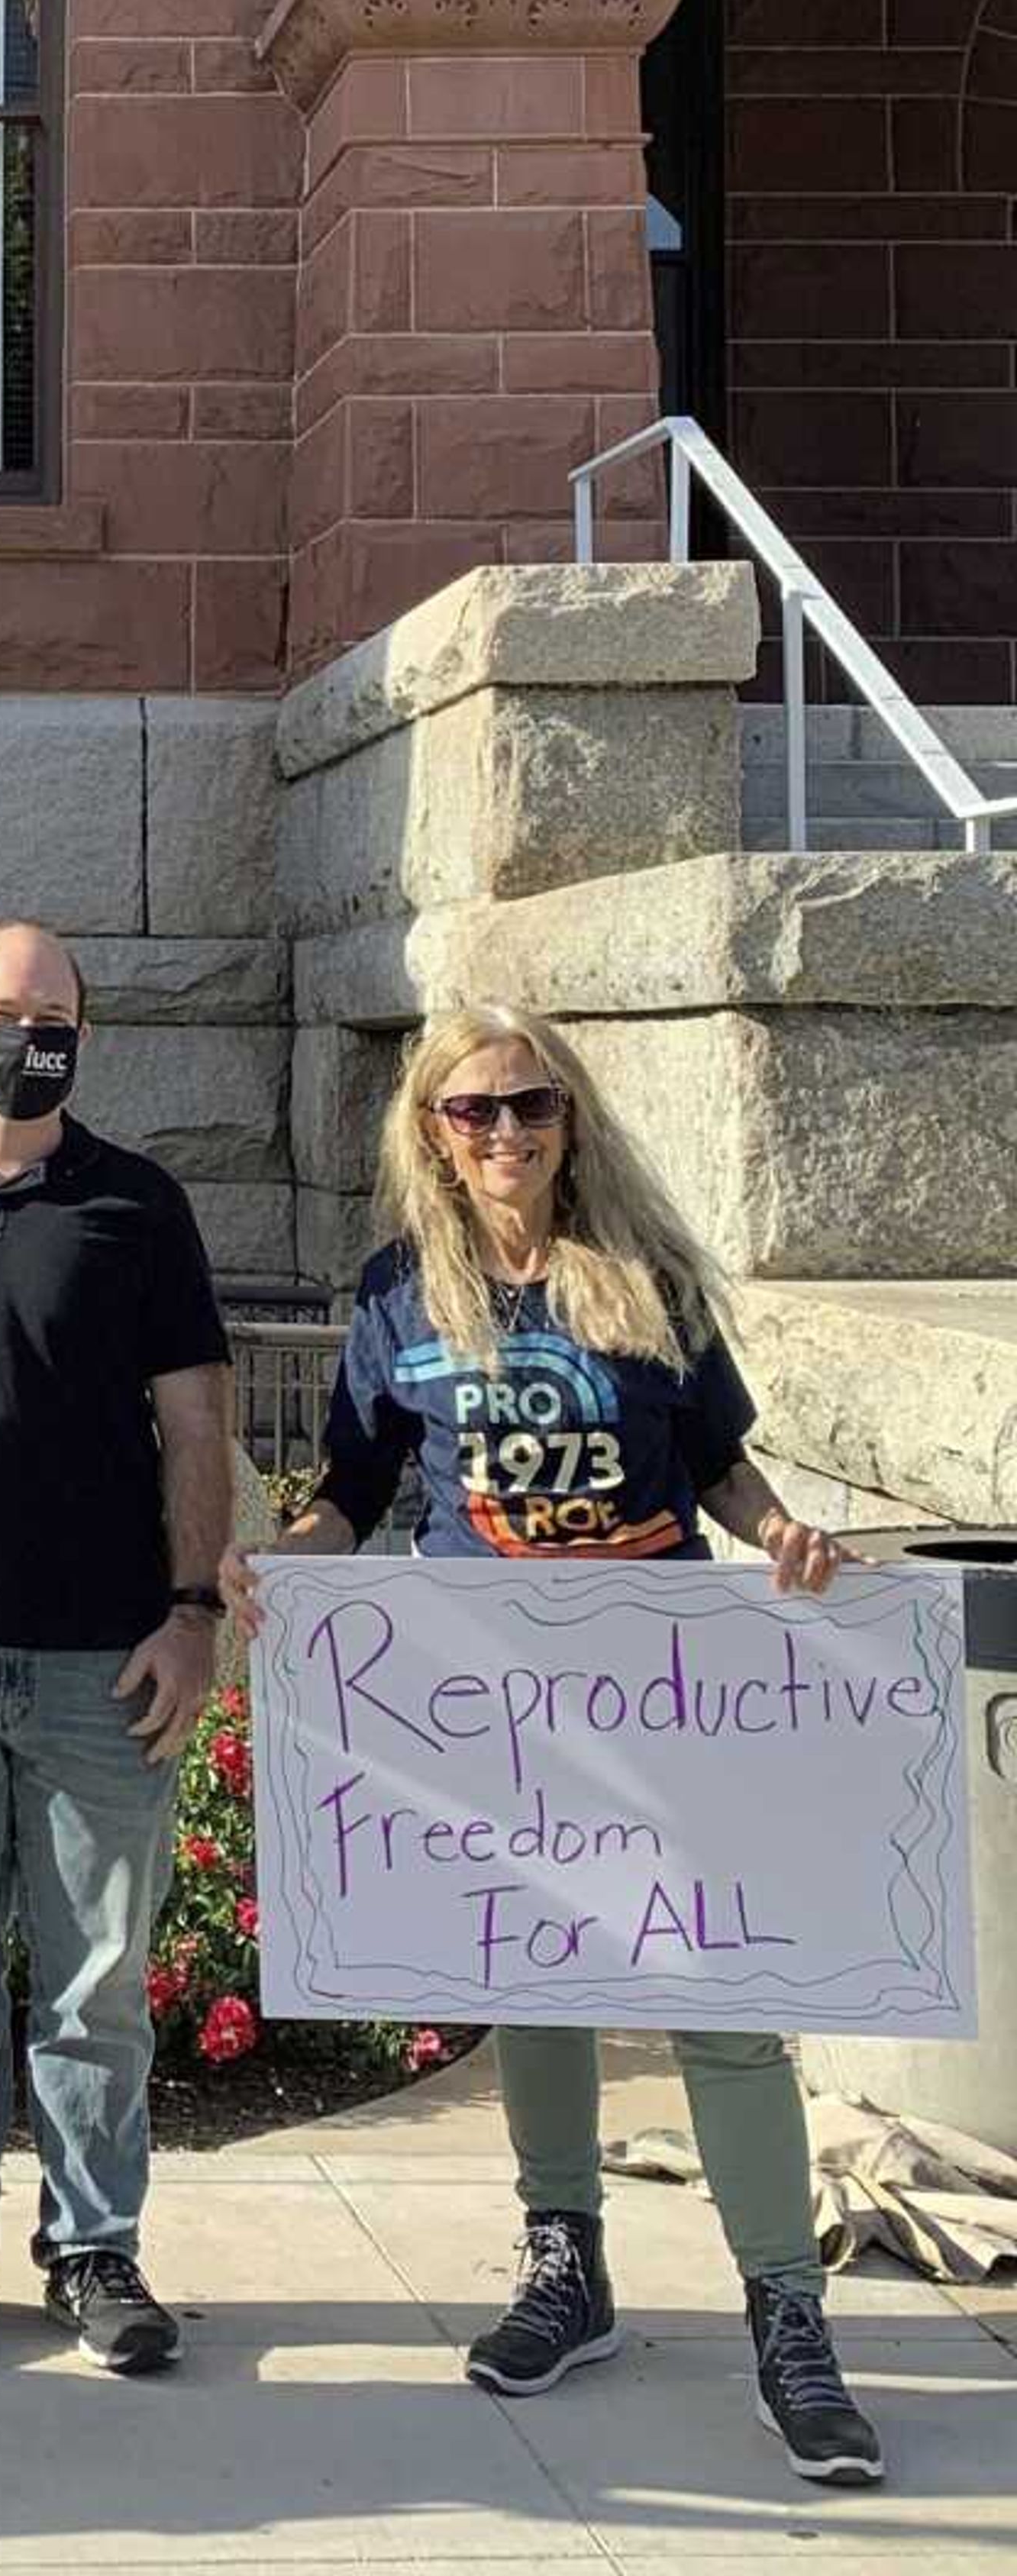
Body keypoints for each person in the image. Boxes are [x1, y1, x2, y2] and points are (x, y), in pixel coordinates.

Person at [222, 999, 878, 2486]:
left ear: (569, 1121)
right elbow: (359, 1483)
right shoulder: (402, 1296)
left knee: (721, 1992)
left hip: (662, 1688)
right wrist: (291, 1555)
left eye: (532, 1106)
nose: (506, 1132)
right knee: (543, 1984)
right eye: (475, 1113)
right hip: (493, 1702)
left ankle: (789, 2312)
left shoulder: (643, 1281)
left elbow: (715, 1464)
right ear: (435, 1139)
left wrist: (783, 1534)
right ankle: (566, 2262)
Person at [0, 922, 236, 2377]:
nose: (31, 1039)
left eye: (56, 1016)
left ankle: (95, 2245)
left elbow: (196, 1421)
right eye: (4, 1013)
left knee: (93, 1985)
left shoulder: (138, 1204)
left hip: (102, 1661)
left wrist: (192, 1611)